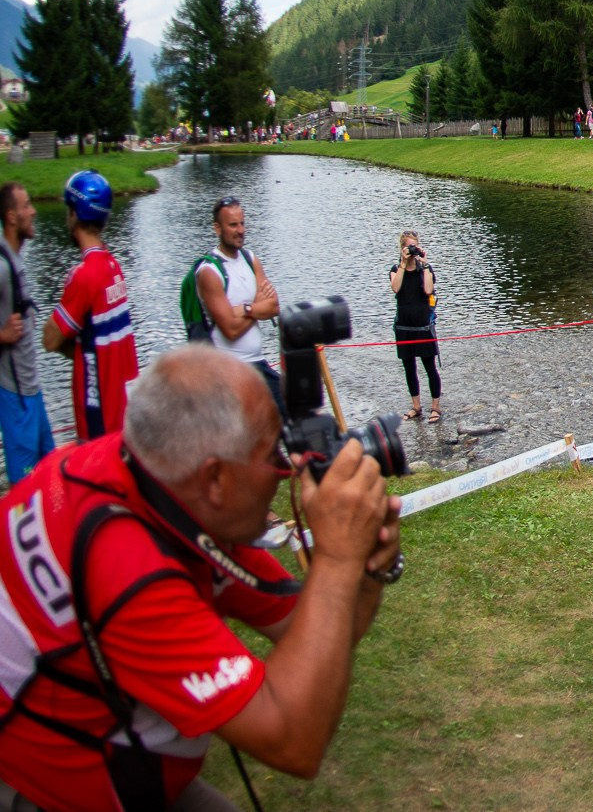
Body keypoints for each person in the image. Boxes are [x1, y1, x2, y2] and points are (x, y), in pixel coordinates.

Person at [0, 346, 403, 811]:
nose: (288, 468)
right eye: (272, 454)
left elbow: (307, 631)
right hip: (46, 783)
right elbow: (295, 741)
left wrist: (367, 566)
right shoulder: (130, 571)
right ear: (215, 479)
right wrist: (334, 560)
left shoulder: (152, 477)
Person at [42, 172, 140, 443]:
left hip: (99, 410)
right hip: (123, 405)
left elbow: (50, 340)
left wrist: (79, 350)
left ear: (74, 213)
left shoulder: (83, 276)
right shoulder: (112, 267)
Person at [191, 196, 282, 406]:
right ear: (217, 228)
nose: (240, 230)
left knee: (293, 414)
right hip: (227, 371)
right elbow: (230, 330)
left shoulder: (250, 259)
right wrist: (258, 305)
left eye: (242, 223)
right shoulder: (209, 272)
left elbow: (274, 306)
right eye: (233, 225)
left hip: (256, 364)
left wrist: (245, 308)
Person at [0, 181, 52, 484]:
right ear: (11, 217)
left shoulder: (15, 260)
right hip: (15, 399)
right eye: (26, 206)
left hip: (33, 394)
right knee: (25, 495)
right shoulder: (3, 267)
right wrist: (3, 334)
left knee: (50, 482)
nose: (33, 211)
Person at [390, 231, 444, 423]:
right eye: (409, 247)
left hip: (423, 327)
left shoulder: (425, 270)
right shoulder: (396, 269)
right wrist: (404, 264)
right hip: (404, 327)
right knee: (409, 368)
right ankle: (416, 406)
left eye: (415, 247)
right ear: (402, 249)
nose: (412, 251)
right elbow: (396, 288)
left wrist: (426, 264)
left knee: (430, 367)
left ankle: (435, 407)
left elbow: (428, 290)